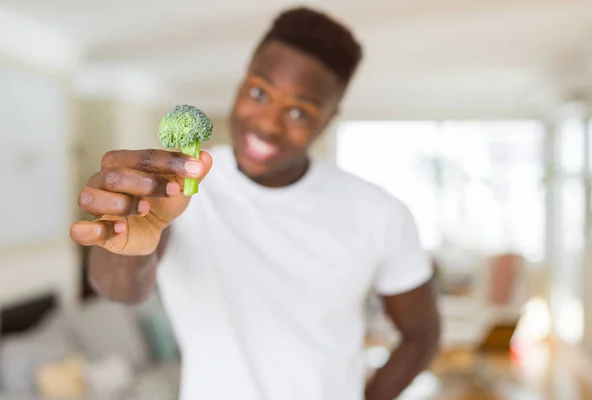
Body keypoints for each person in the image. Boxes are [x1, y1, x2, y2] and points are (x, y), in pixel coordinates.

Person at [70, 6, 440, 400]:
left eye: (299, 111)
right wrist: (129, 239)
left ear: (328, 119)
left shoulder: (380, 213)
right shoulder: (179, 188)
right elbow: (120, 290)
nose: (266, 123)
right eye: (259, 92)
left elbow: (422, 334)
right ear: (242, 83)